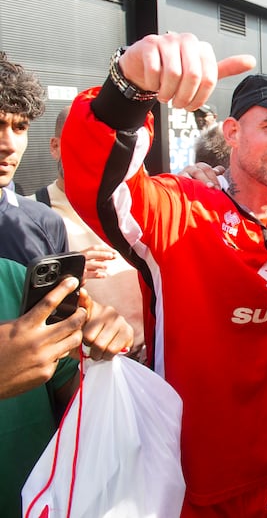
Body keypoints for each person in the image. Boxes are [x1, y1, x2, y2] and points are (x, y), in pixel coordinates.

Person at [60, 33, 267, 517]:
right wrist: (128, 88)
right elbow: (101, 181)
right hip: (190, 475)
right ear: (230, 133)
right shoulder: (179, 207)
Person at [0, 50, 133, 518]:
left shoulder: (37, 229)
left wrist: (95, 334)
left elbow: (59, 358)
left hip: (38, 486)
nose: (8, 144)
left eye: (19, 126)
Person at [31, 105, 146, 362]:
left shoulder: (137, 204)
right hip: (88, 370)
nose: (88, 155)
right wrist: (65, 272)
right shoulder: (32, 213)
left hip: (153, 362)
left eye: (97, 144)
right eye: (76, 143)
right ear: (55, 147)